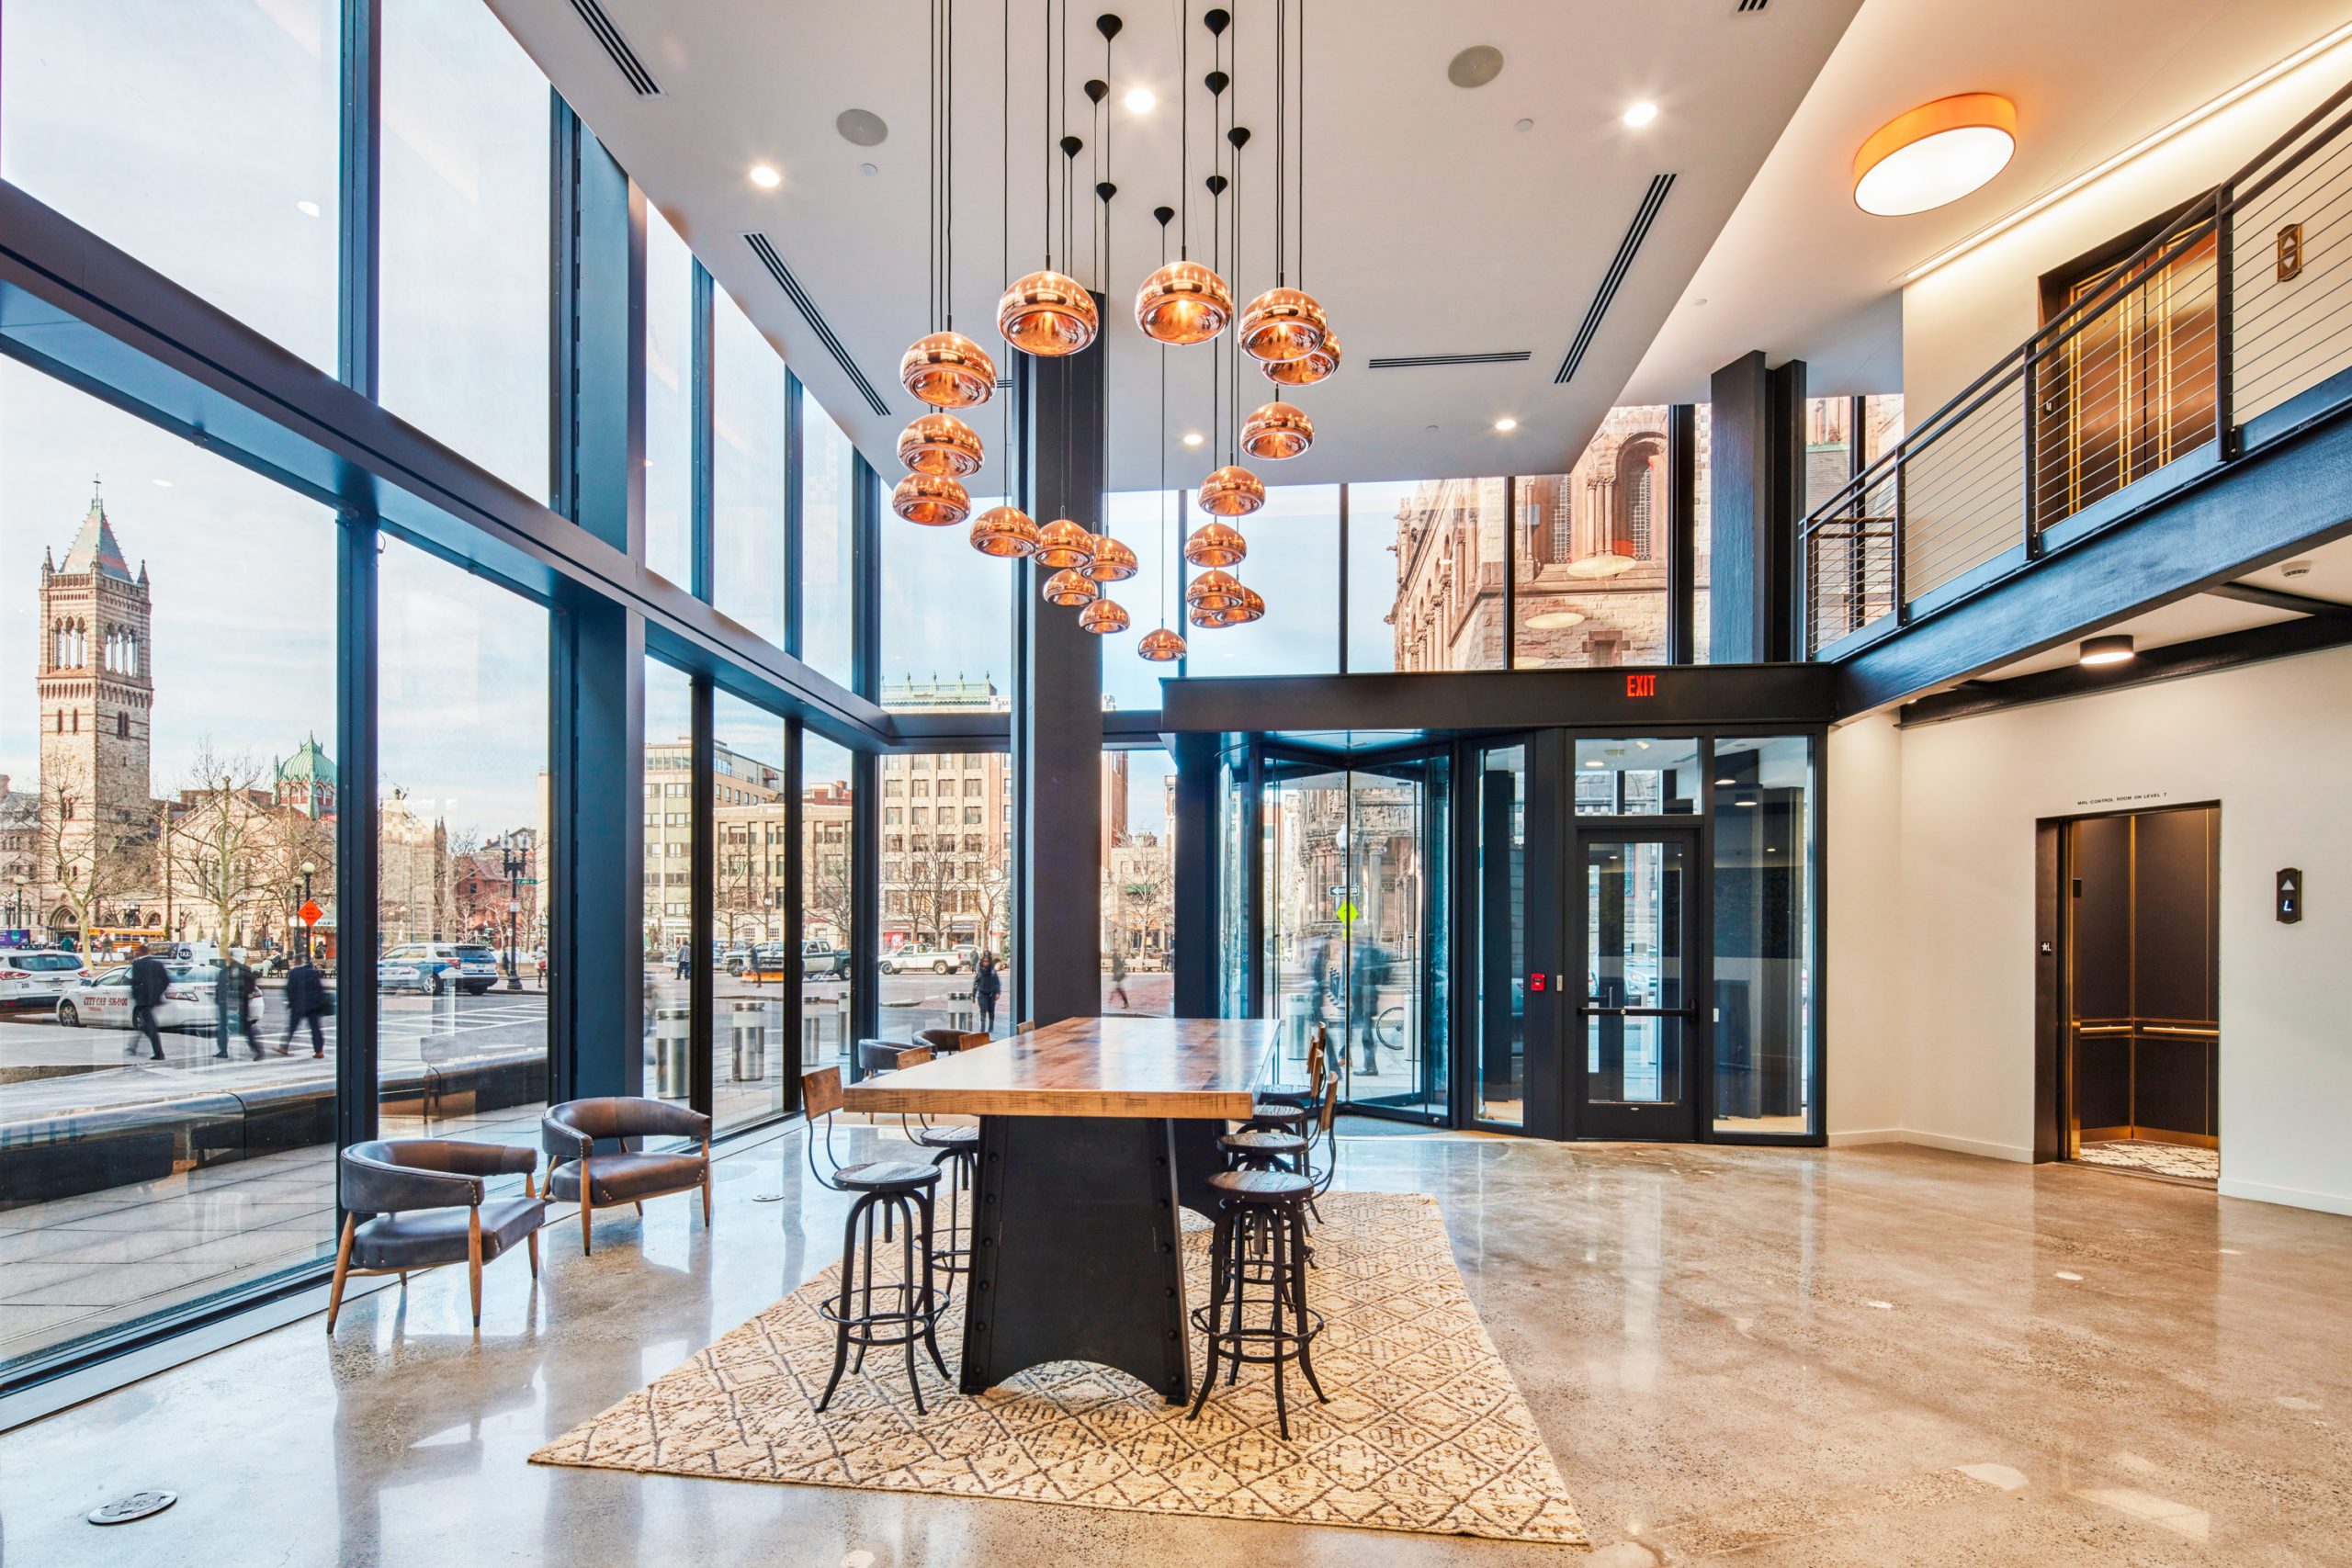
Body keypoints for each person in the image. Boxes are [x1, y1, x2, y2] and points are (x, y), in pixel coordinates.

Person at [1350, 939, 1390, 1076]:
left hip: (1366, 998)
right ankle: (1369, 1065)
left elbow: (1362, 977)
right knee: (1366, 1033)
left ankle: (1370, 1067)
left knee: (1366, 1034)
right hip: (1365, 998)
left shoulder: (1368, 954)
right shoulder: (1368, 952)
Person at [281, 957, 331, 1057]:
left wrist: (291, 1002)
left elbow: (289, 989)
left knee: (292, 1027)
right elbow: (320, 989)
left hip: (299, 1004)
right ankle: (319, 1051)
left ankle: (284, 1047)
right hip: (314, 1005)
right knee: (315, 1028)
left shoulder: (294, 972)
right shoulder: (314, 973)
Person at [215, 952, 261, 1060]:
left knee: (244, 1028)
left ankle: (257, 1050)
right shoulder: (226, 971)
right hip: (228, 1003)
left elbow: (251, 980)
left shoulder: (239, 970)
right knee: (224, 1027)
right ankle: (223, 1050)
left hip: (238, 1003)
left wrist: (244, 995)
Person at [127, 950, 170, 1062]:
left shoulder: (137, 964)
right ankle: (133, 1047)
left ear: (139, 953)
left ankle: (159, 1053)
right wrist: (157, 993)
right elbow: (166, 981)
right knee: (146, 1025)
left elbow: (134, 982)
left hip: (142, 1000)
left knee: (149, 1026)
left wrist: (136, 995)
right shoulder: (158, 964)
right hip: (153, 999)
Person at [972, 949, 1001, 1036]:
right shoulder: (980, 971)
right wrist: (973, 995)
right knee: (983, 1011)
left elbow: (997, 983)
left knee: (991, 1011)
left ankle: (991, 1027)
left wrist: (997, 992)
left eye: (987, 961)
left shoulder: (993, 972)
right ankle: (982, 1029)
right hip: (982, 994)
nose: (986, 963)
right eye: (984, 961)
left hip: (991, 995)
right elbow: (976, 983)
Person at [1107, 945, 1130, 1010]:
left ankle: (1125, 1002)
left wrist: (1114, 970)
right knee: (1118, 988)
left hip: (1118, 976)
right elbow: (1119, 965)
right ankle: (1124, 1002)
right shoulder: (1115, 957)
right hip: (1118, 976)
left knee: (1118, 989)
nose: (1110, 953)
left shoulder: (1114, 957)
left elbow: (1119, 965)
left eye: (1111, 952)